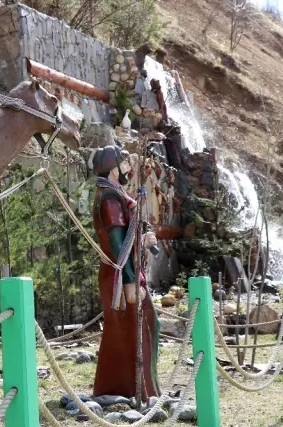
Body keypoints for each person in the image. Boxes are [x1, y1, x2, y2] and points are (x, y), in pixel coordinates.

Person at [88, 144, 161, 400]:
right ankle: (132, 389)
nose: (129, 168)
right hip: (120, 277)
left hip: (123, 273)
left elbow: (129, 236)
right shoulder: (109, 198)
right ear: (113, 167)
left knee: (138, 327)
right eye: (125, 163)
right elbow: (118, 244)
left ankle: (139, 388)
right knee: (135, 328)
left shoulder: (114, 193)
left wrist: (145, 237)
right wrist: (129, 282)